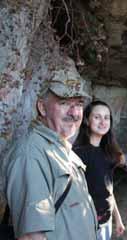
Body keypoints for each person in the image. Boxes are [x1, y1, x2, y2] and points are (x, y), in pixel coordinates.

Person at [3, 71, 98, 239]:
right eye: (64, 102)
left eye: (79, 104)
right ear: (42, 107)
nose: (75, 113)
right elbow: (32, 236)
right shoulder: (30, 155)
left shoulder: (60, 148)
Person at [74, 100, 125, 240]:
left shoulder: (108, 152)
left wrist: (117, 218)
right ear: (87, 120)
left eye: (106, 117)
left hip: (106, 222)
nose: (103, 122)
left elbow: (108, 189)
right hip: (86, 224)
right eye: (97, 117)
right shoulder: (78, 154)